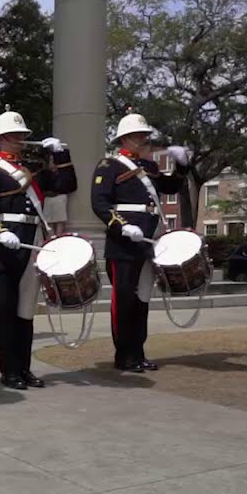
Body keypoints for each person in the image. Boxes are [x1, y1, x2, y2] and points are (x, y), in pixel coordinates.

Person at [0, 108, 76, 389]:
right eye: (15, 135)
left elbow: (68, 184)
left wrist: (61, 155)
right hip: (4, 246)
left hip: (30, 244)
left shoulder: (32, 171)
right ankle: (9, 371)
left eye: (22, 134)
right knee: (6, 311)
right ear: (1, 139)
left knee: (26, 311)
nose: (20, 139)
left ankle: (24, 368)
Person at [91, 112, 188, 373]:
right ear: (124, 138)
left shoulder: (151, 167)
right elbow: (99, 203)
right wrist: (122, 226)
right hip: (123, 243)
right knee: (124, 299)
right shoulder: (109, 166)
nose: (144, 139)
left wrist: (181, 165)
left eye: (145, 135)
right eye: (138, 135)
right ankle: (123, 355)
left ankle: (138, 351)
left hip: (147, 241)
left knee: (142, 299)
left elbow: (170, 188)